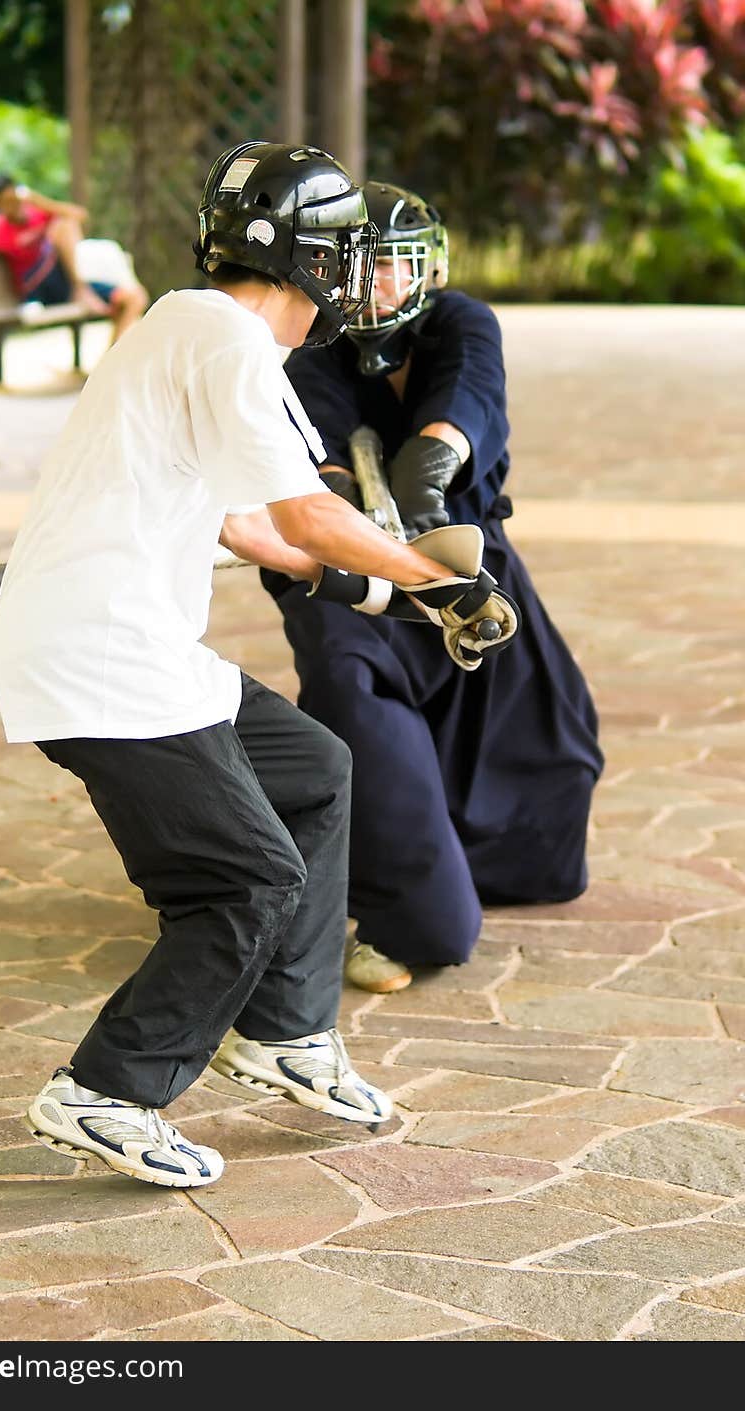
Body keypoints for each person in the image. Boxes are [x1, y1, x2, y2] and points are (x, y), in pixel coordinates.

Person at [0, 143, 514, 1189]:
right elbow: (306, 512)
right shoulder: (226, 344)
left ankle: (281, 1031)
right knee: (245, 882)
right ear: (312, 261)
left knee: (313, 769)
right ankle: (109, 1089)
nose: (364, 278)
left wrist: (377, 591)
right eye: (351, 255)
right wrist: (437, 579)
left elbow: (242, 520)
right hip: (107, 662)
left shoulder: (190, 325)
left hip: (133, 640)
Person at [261, 181, 604, 996]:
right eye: (356, 267)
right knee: (367, 729)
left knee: (553, 757)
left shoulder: (461, 320)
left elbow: (453, 429)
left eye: (391, 266)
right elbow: (328, 481)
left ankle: (439, 863)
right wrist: (363, 518)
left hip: (465, 563)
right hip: (352, 581)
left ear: (429, 267)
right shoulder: (313, 343)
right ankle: (407, 906)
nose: (373, 286)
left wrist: (428, 492)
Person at [0, 173, 148, 344]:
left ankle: (108, 362)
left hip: (67, 279)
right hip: (41, 290)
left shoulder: (37, 213)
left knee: (135, 297)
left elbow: (80, 215)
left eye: (15, 198)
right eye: (6, 202)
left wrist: (39, 201)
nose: (13, 206)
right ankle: (81, 291)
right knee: (63, 226)